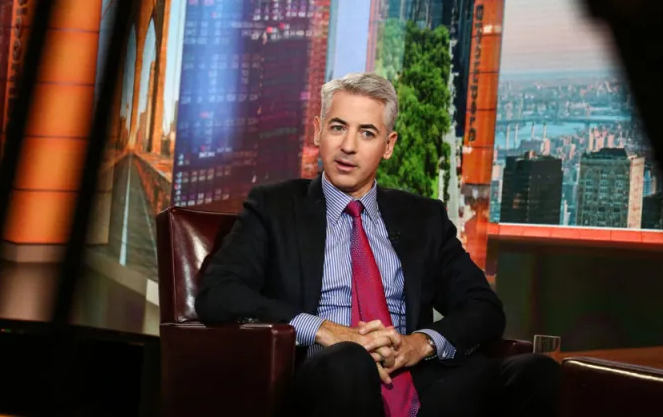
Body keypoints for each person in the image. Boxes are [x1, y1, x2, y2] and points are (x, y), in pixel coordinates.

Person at [195, 72, 559, 416]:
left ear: (389, 145)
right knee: (349, 360)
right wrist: (324, 330)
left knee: (534, 371)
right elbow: (220, 292)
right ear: (318, 131)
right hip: (322, 375)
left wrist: (418, 344)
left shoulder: (422, 218)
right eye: (338, 127)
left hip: (413, 377)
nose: (348, 146)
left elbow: (483, 307)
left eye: (367, 133)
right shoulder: (273, 207)